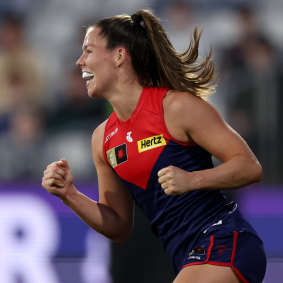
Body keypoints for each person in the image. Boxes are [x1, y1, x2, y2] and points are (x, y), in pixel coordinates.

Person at [42, 9, 266, 283]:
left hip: (225, 239)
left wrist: (192, 179)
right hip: (186, 257)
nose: (79, 62)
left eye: (88, 51)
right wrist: (70, 194)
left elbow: (249, 167)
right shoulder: (103, 139)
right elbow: (119, 226)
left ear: (119, 55)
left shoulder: (176, 107)